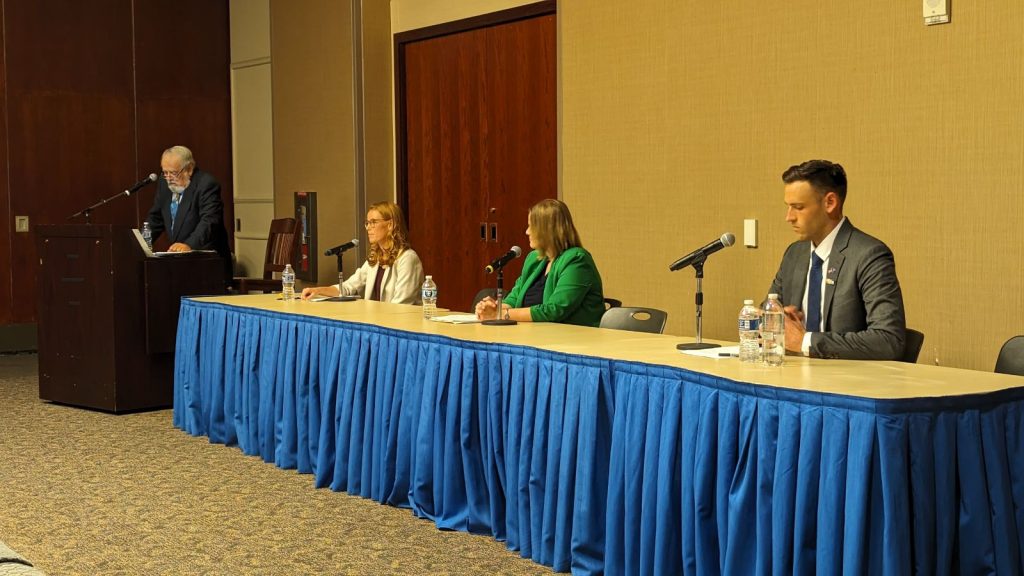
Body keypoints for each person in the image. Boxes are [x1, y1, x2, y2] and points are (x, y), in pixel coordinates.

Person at [768, 159, 906, 360]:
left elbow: (889, 340)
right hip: (793, 377)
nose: (789, 217)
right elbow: (768, 311)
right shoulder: (794, 254)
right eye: (788, 207)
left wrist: (805, 341)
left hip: (848, 383)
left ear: (830, 203)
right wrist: (775, 320)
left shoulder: (869, 255)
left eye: (798, 207)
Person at [475, 199, 604, 327]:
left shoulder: (576, 260)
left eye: (531, 226)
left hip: (572, 340)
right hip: (532, 335)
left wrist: (500, 315)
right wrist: (491, 308)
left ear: (547, 230)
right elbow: (514, 298)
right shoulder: (534, 259)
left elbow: (554, 310)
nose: (527, 232)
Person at [300, 201, 424, 304]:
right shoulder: (375, 258)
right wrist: (318, 291)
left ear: (390, 225)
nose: (368, 227)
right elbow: (349, 287)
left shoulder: (407, 258)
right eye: (367, 223)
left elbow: (402, 303)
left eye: (374, 222)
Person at [146, 145, 232, 278]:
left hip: (208, 264)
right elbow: (156, 219)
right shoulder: (165, 185)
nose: (169, 178)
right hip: (180, 264)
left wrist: (189, 245)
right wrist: (142, 243)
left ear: (189, 169)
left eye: (173, 173)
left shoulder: (206, 184)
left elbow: (209, 222)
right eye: (165, 173)